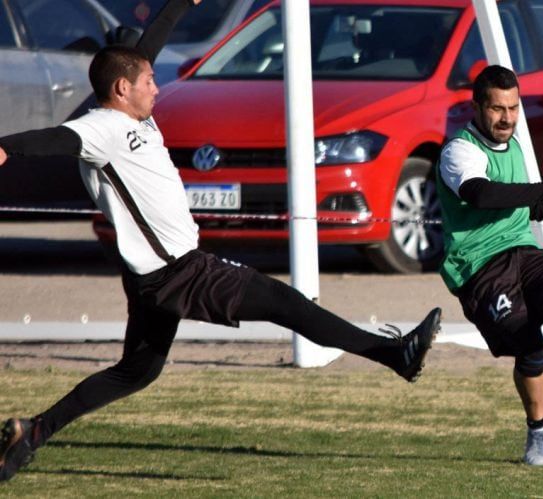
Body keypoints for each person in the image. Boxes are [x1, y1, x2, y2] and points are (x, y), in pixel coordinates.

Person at [0, 0, 440, 482]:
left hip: (156, 275)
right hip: (178, 273)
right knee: (281, 300)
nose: (156, 86)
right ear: (122, 90)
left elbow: (144, 50)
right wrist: (7, 146)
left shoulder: (132, 111)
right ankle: (392, 354)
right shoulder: (100, 127)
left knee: (137, 372)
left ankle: (33, 433)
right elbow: (56, 138)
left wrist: (176, 7)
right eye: (148, 82)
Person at [435, 65, 543, 466]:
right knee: (530, 348)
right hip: (479, 268)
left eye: (514, 108)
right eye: (498, 109)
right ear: (478, 106)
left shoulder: (516, 145)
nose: (507, 118)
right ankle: (539, 431)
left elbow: (511, 204)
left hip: (523, 250)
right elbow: (482, 194)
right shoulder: (459, 151)